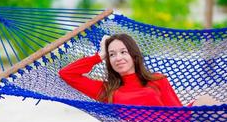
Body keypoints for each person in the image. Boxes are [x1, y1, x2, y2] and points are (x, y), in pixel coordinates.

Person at [59, 33, 216, 106]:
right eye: (112, 54)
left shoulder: (157, 79)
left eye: (123, 52)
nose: (118, 58)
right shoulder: (108, 90)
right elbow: (67, 74)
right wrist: (100, 55)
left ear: (134, 56)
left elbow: (177, 112)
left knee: (205, 100)